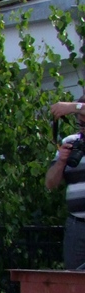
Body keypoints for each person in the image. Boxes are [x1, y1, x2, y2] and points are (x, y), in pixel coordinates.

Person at [45, 98, 85, 270]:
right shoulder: (72, 142)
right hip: (77, 223)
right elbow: (50, 183)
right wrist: (61, 161)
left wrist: (71, 107)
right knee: (73, 280)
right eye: (81, 123)